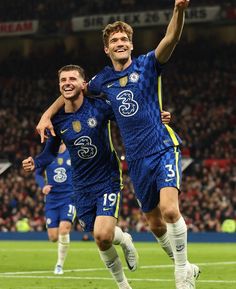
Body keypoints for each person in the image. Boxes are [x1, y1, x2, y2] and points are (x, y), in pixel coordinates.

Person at [36, 1, 200, 288]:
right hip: (135, 160)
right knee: (155, 224)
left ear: (131, 45)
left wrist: (179, 11)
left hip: (162, 146)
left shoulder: (147, 64)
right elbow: (72, 89)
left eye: (124, 39)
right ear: (107, 49)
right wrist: (48, 114)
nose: (120, 43)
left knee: (170, 210)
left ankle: (182, 274)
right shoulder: (101, 81)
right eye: (114, 40)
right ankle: (186, 266)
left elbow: (171, 38)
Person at [23, 65, 138, 289]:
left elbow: (128, 117)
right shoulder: (57, 121)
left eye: (72, 79)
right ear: (59, 86)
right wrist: (35, 162)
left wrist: (154, 116)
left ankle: (124, 283)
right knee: (100, 238)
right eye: (63, 79)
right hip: (81, 186)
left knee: (103, 233)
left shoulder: (100, 107)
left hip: (107, 179)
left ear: (83, 84)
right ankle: (124, 241)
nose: (67, 82)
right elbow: (50, 153)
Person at [24, 142, 75, 275]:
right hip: (52, 200)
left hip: (69, 198)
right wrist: (43, 186)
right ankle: (61, 246)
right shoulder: (47, 155)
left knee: (64, 229)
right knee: (53, 237)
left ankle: (59, 265)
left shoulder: (72, 153)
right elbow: (38, 174)